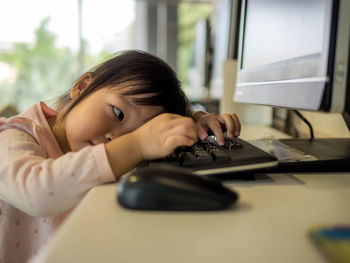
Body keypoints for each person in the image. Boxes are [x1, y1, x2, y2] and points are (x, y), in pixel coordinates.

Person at [0, 50, 240, 262]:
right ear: (82, 87)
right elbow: (38, 192)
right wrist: (138, 143)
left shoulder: (94, 142)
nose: (117, 140)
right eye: (118, 113)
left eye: (137, 132)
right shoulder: (16, 133)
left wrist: (195, 122)